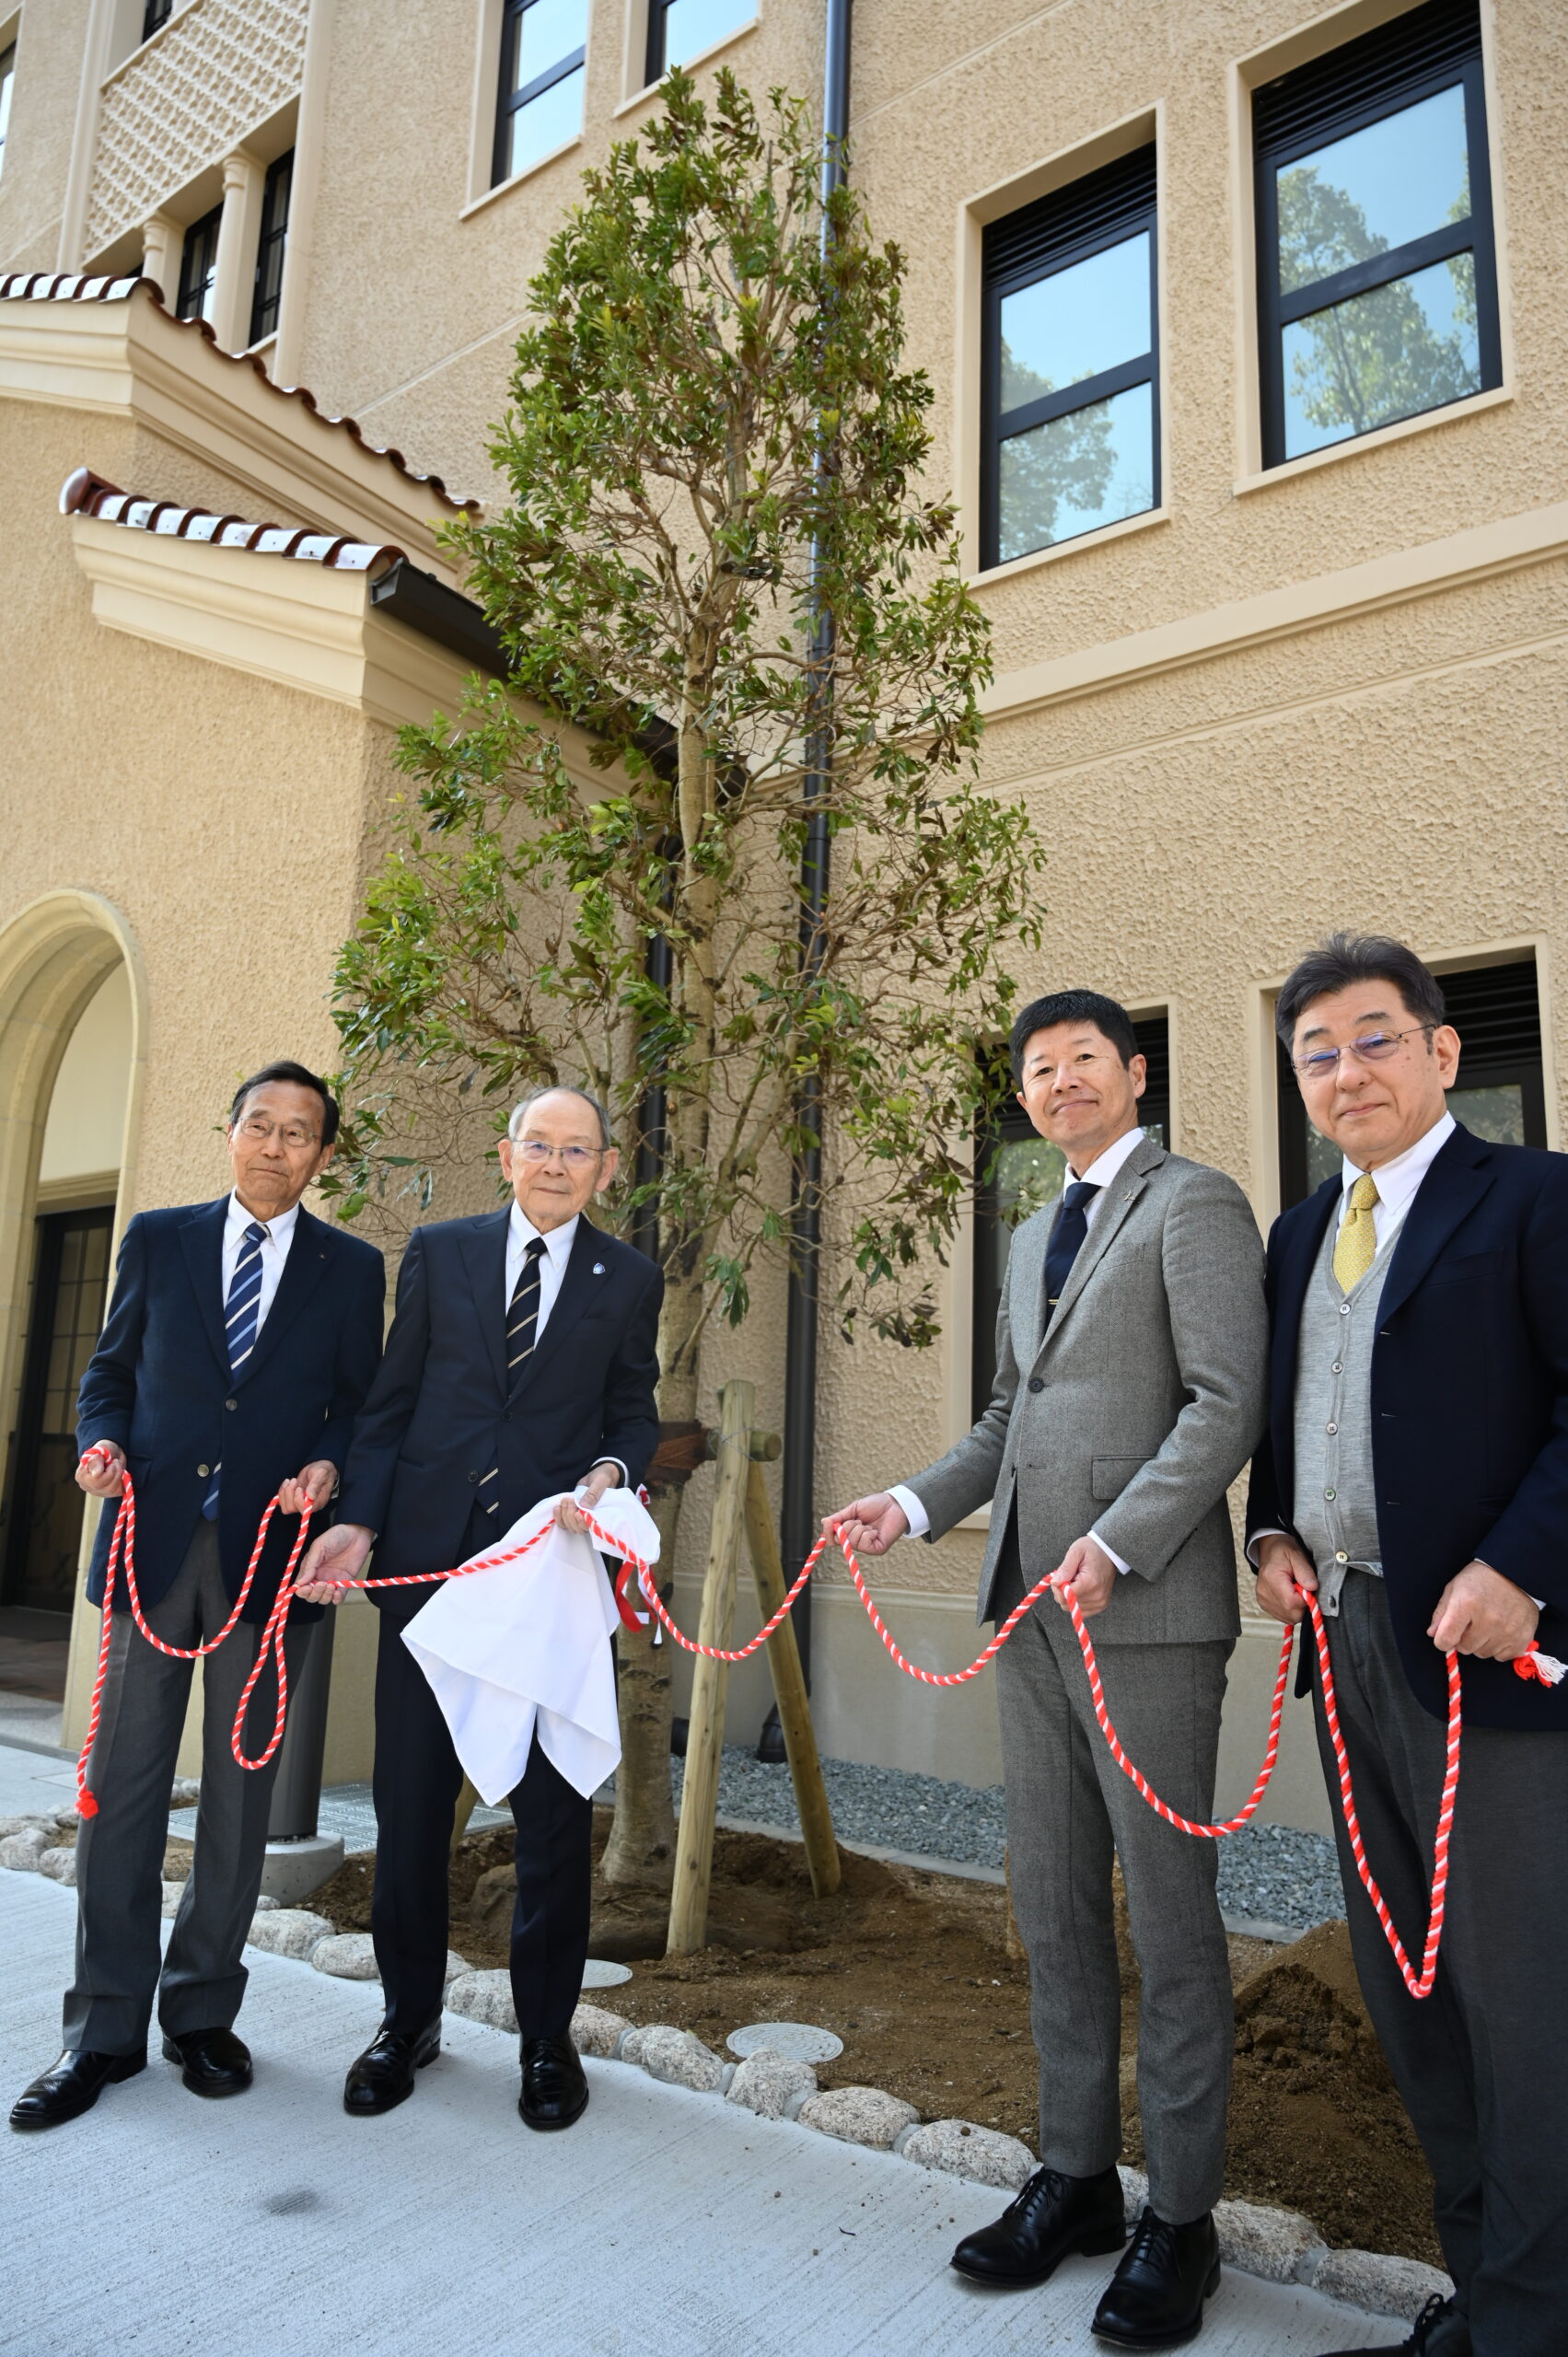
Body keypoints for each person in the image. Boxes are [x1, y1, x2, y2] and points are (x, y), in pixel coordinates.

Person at [827, 990, 1267, 2351]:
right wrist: (906, 1505)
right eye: (1036, 1068)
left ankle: (1179, 2219)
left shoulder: (1191, 1204)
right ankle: (1073, 2177)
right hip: (1023, 1608)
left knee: (1167, 1917)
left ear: (1134, 1074)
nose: (1058, 1082)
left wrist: (1119, 1545)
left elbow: (1221, 1404)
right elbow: (1011, 1417)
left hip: (1139, 1615)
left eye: (1083, 1059)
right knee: (1053, 1903)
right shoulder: (1028, 1228)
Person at [1248, 935, 1568, 2357]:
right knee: (1407, 1983)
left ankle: (1531, 2317)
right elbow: (1283, 1429)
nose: (1343, 1070)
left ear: (1441, 1053)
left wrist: (1519, 1566)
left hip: (1483, 1664)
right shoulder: (1298, 1236)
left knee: (1517, 1997)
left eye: (1372, 1039)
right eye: (1315, 1052)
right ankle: (1482, 2289)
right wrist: (1269, 1535)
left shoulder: (1532, 1199)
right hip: (1347, 1648)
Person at [9, 1062, 385, 2132]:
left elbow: (358, 1406)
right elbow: (107, 1374)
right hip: (152, 1546)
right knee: (121, 1792)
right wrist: (99, 1441)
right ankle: (103, 2031)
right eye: (257, 1124)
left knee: (239, 1799)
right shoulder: (159, 1239)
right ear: (228, 1132)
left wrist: (327, 1469)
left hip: (272, 1562)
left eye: (297, 1132)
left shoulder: (350, 1270)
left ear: (320, 1155)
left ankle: (202, 2015)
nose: (274, 1144)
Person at [296, 1086, 662, 2131]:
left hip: (543, 1577)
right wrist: (361, 1520)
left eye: (576, 1149)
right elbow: (392, 1399)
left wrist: (608, 1469)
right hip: (428, 1566)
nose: (555, 1163)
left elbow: (630, 1406)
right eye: (537, 1145)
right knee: (410, 1806)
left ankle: (545, 2040)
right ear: (506, 1157)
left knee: (549, 1816)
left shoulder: (627, 1276)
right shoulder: (442, 1252)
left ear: (602, 1167)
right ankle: (405, 2020)